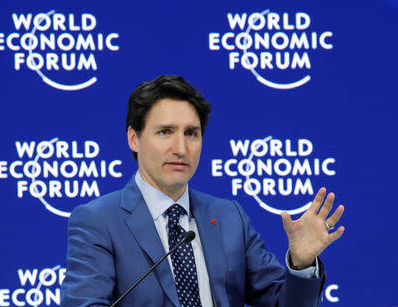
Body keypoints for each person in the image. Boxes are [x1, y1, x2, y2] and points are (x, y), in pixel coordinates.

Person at [60, 75, 345, 307]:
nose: (181, 149)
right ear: (134, 138)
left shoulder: (229, 217)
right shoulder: (99, 220)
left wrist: (301, 263)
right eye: (165, 132)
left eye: (191, 134)